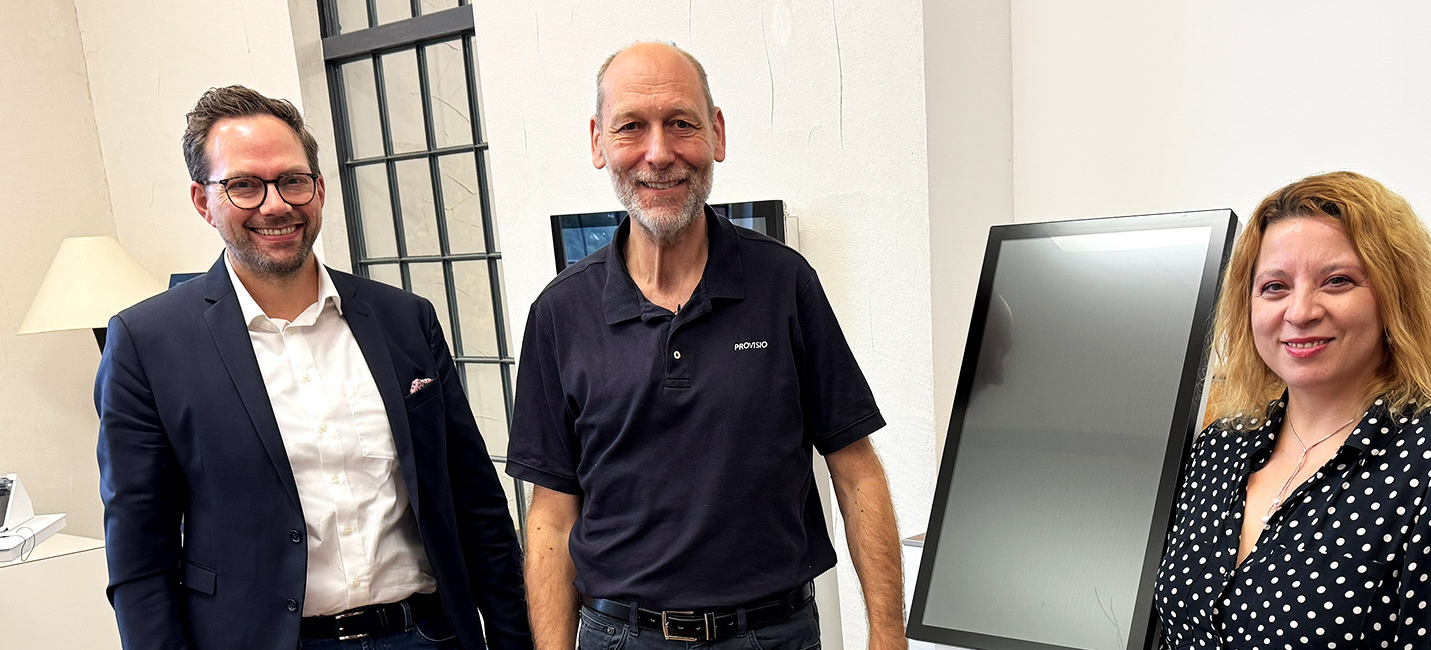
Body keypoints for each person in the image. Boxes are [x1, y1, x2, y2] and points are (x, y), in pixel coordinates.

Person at [95, 85, 531, 650]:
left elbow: (477, 506)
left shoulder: (404, 319)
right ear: (204, 202)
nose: (275, 205)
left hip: (425, 635)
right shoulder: (148, 343)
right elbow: (139, 557)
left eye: (292, 180)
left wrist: (514, 638)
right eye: (243, 185)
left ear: (319, 189)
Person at [505, 42, 906, 650]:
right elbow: (551, 517)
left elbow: (855, 473)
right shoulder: (560, 313)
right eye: (631, 127)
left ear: (716, 134)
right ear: (598, 142)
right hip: (621, 637)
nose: (659, 153)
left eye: (681, 124)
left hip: (774, 635)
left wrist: (888, 636)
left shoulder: (786, 284)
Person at [1153, 172, 1431, 649]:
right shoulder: (1218, 448)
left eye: (1337, 281)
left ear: (1394, 298)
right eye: (1274, 286)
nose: (1300, 311)